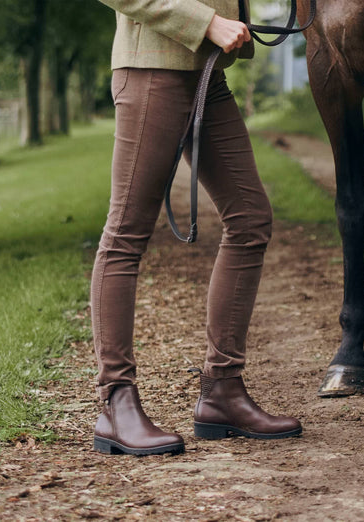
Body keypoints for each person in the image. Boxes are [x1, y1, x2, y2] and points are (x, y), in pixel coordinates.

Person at [91, 0, 302, 456]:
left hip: (206, 73)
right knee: (126, 234)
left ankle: (222, 390)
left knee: (249, 219)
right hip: (152, 71)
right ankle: (116, 402)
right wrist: (206, 22)